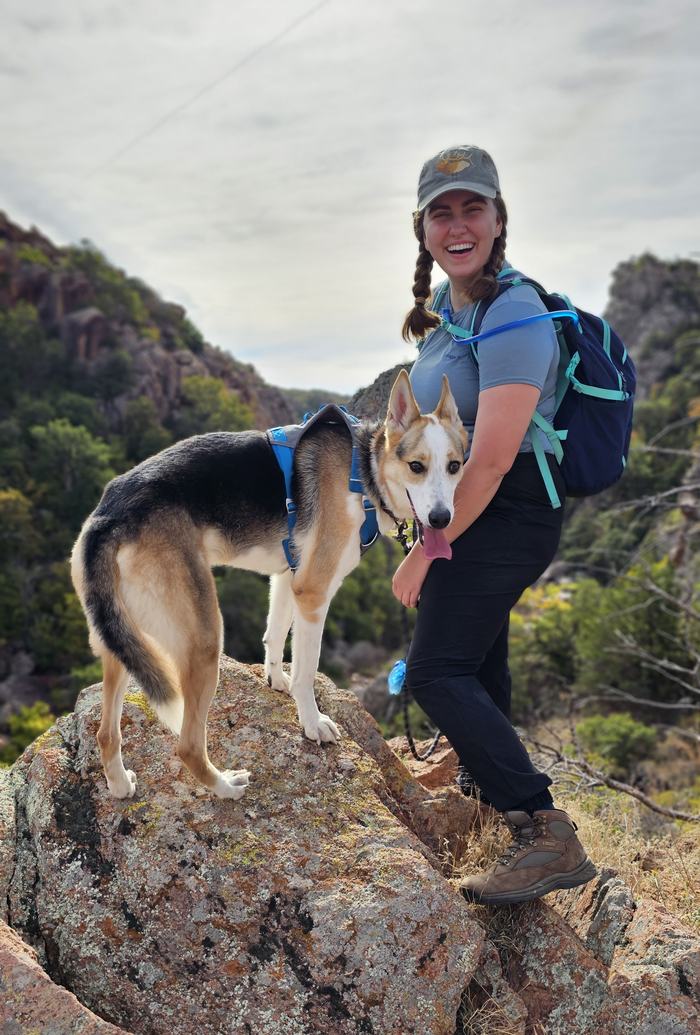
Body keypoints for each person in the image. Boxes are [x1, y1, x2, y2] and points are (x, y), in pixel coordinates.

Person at [392, 145, 597, 905]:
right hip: (470, 508)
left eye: (472, 207)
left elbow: (493, 455)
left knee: (435, 670)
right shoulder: (450, 313)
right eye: (441, 212)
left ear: (499, 218)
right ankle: (485, 797)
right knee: (475, 660)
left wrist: (425, 550)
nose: (458, 224)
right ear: (423, 229)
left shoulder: (514, 310)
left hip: (508, 511)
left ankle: (547, 832)